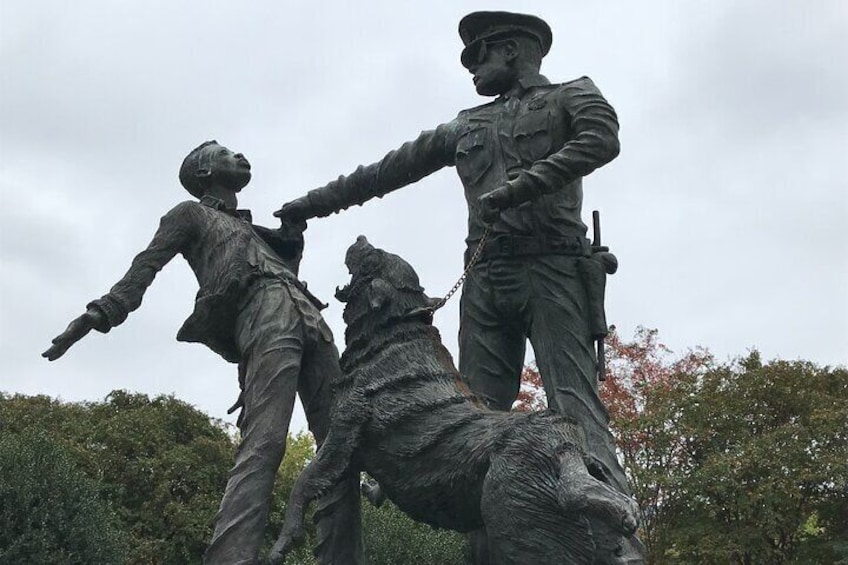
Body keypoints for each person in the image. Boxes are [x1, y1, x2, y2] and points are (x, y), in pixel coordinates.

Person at [276, 11, 643, 562]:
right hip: (486, 276)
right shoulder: (465, 125)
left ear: (513, 51)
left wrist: (524, 187)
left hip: (556, 269)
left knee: (575, 405)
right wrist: (311, 204)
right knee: (472, 422)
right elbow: (383, 172)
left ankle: (619, 548)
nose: (471, 68)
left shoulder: (573, 95)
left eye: (479, 57)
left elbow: (603, 139)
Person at [43, 141, 363, 565]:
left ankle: (343, 557)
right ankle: (231, 558)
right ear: (203, 173)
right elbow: (146, 265)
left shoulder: (257, 230)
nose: (240, 156)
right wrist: (102, 312)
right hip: (263, 312)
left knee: (342, 443)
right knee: (266, 440)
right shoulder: (189, 214)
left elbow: (278, 263)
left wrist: (291, 240)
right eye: (226, 153)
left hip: (308, 313)